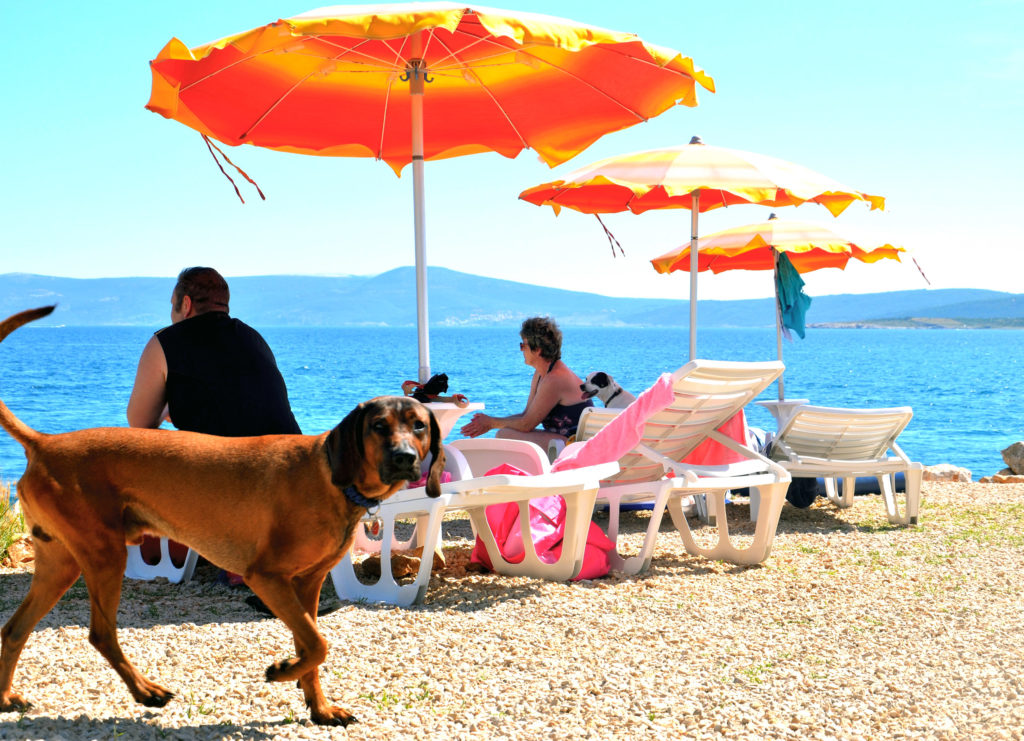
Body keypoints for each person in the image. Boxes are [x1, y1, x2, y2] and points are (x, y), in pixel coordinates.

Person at [127, 267, 309, 610]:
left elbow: (140, 423)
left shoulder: (166, 341)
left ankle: (226, 554)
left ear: (185, 303)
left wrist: (169, 407)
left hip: (236, 485)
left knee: (142, 450)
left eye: (172, 305)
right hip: (295, 477)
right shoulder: (253, 337)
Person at [460, 316, 593, 448]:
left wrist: (490, 423)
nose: (521, 350)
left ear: (537, 349)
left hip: (576, 446)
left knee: (505, 435)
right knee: (506, 433)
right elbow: (526, 415)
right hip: (564, 441)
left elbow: (526, 424)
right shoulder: (541, 374)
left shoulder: (555, 378)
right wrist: (490, 422)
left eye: (523, 345)